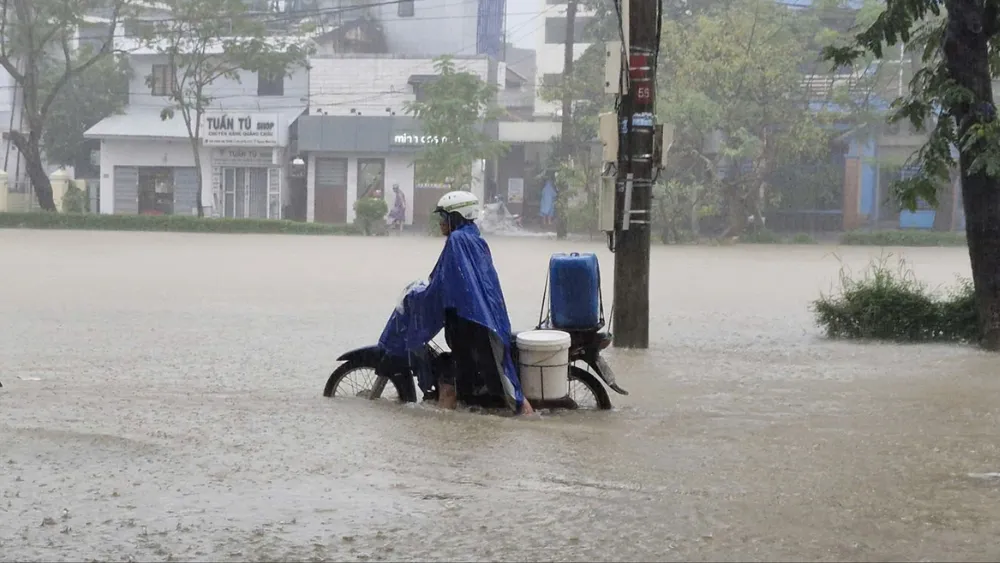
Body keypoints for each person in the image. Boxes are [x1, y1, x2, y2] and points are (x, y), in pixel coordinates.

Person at [376, 190, 534, 415]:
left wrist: (418, 297)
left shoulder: (458, 240)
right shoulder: (473, 238)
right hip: (478, 320)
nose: (441, 222)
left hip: (473, 324)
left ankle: (525, 417)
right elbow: (454, 280)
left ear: (457, 216)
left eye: (444, 217)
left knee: (475, 381)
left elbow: (446, 283)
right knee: (474, 377)